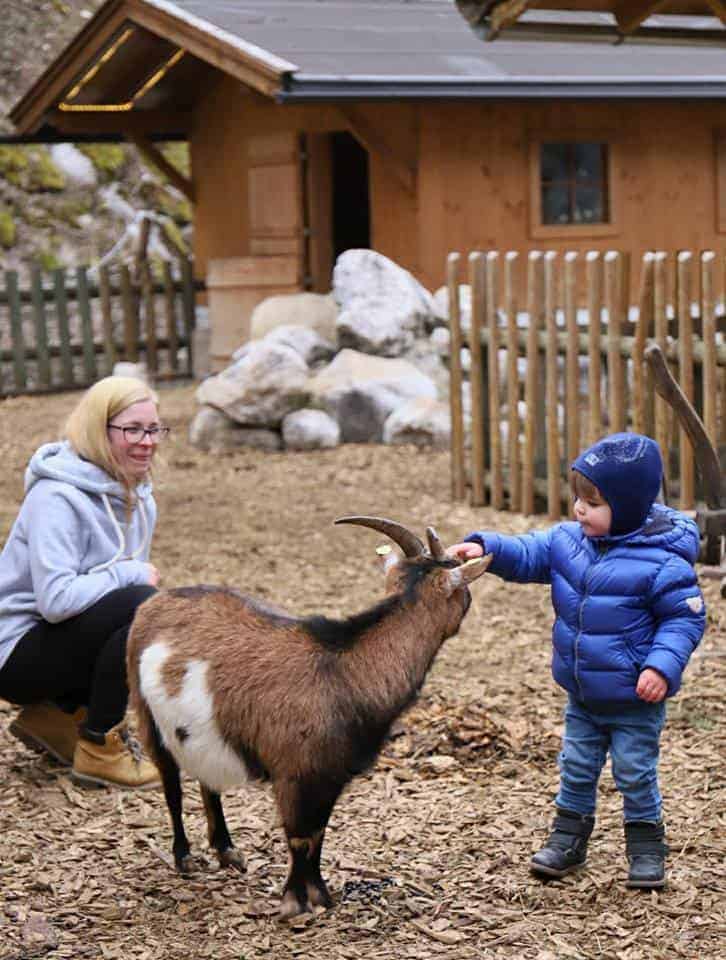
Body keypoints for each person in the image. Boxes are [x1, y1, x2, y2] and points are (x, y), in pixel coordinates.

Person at [448, 432, 706, 889]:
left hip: (634, 697)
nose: (579, 510)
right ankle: (568, 839)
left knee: (633, 770)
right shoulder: (569, 542)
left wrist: (660, 667)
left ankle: (646, 847)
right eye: (578, 499)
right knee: (577, 765)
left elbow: (682, 622)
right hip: (583, 692)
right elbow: (527, 553)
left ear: (626, 507)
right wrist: (484, 547)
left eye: (593, 502)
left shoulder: (663, 563)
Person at [0, 375, 167, 789]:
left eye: (153, 429)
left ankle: (61, 718)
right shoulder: (56, 497)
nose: (147, 441)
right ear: (98, 430)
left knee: (141, 609)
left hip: (52, 641)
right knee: (143, 604)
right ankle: (99, 746)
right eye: (132, 429)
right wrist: (130, 575)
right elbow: (56, 599)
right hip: (13, 654)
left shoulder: (138, 494)